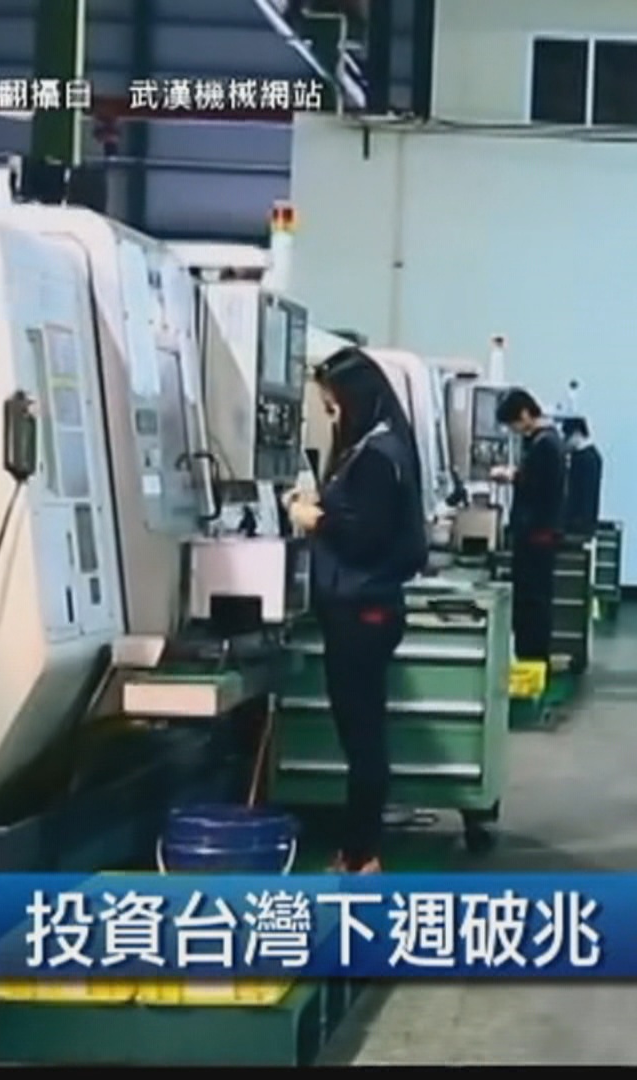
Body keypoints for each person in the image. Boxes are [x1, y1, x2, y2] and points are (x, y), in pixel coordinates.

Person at [287, 347, 430, 875]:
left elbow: (362, 534)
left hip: (362, 611)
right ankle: (358, 850)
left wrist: (313, 518)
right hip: (366, 608)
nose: (331, 413)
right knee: (363, 732)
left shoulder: (375, 455)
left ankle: (360, 855)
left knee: (362, 738)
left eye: (333, 403)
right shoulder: (383, 445)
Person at [490, 389, 566, 665]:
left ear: (524, 414)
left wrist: (511, 476)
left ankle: (532, 658)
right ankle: (532, 657)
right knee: (533, 599)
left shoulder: (545, 444)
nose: (513, 430)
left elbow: (537, 485)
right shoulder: (547, 441)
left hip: (536, 534)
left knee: (532, 601)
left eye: (513, 423)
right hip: (538, 532)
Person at [560, 416, 603, 536]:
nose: (565, 442)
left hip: (578, 522)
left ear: (577, 434)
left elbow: (582, 493)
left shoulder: (585, 458)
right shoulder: (590, 456)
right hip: (583, 522)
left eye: (567, 437)